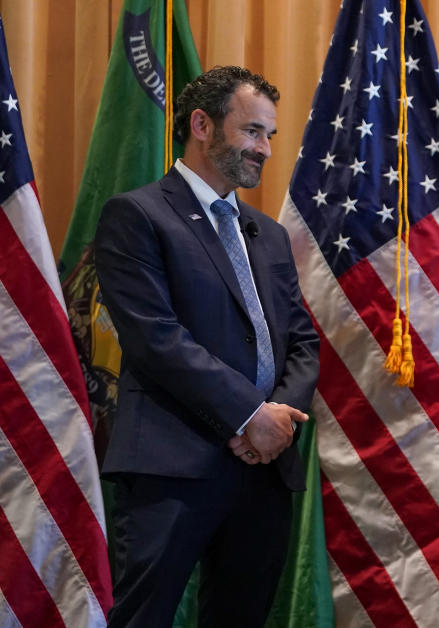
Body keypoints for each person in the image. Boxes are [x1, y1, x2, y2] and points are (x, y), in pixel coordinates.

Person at [94, 66, 320, 627]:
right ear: (201, 124)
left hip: (263, 469)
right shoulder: (138, 214)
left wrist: (275, 423)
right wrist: (249, 416)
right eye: (252, 131)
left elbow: (302, 341)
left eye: (270, 134)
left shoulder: (267, 233)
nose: (265, 148)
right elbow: (155, 337)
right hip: (173, 467)